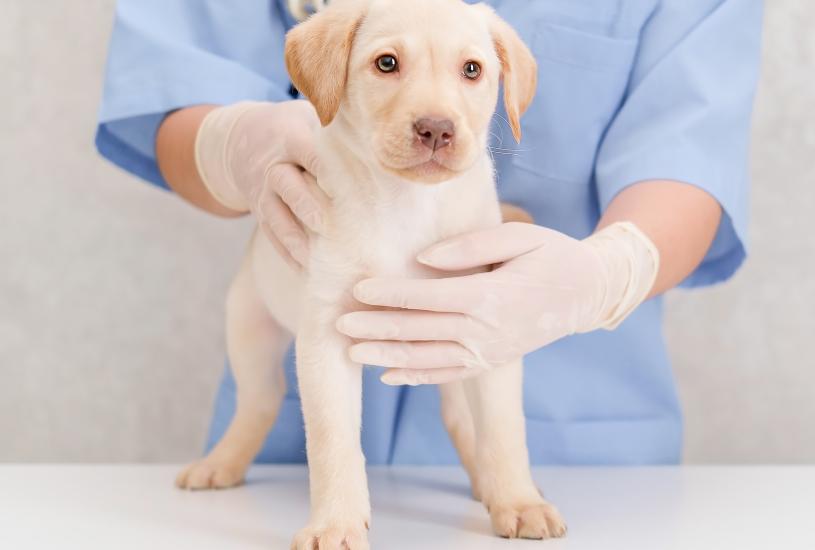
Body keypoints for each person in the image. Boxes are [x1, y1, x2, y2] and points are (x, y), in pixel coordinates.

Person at [96, 0, 763, 465]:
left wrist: (607, 273)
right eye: (388, 64)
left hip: (577, 437)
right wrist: (227, 143)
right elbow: (171, 86)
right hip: (294, 452)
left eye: (472, 71)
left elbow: (689, 154)